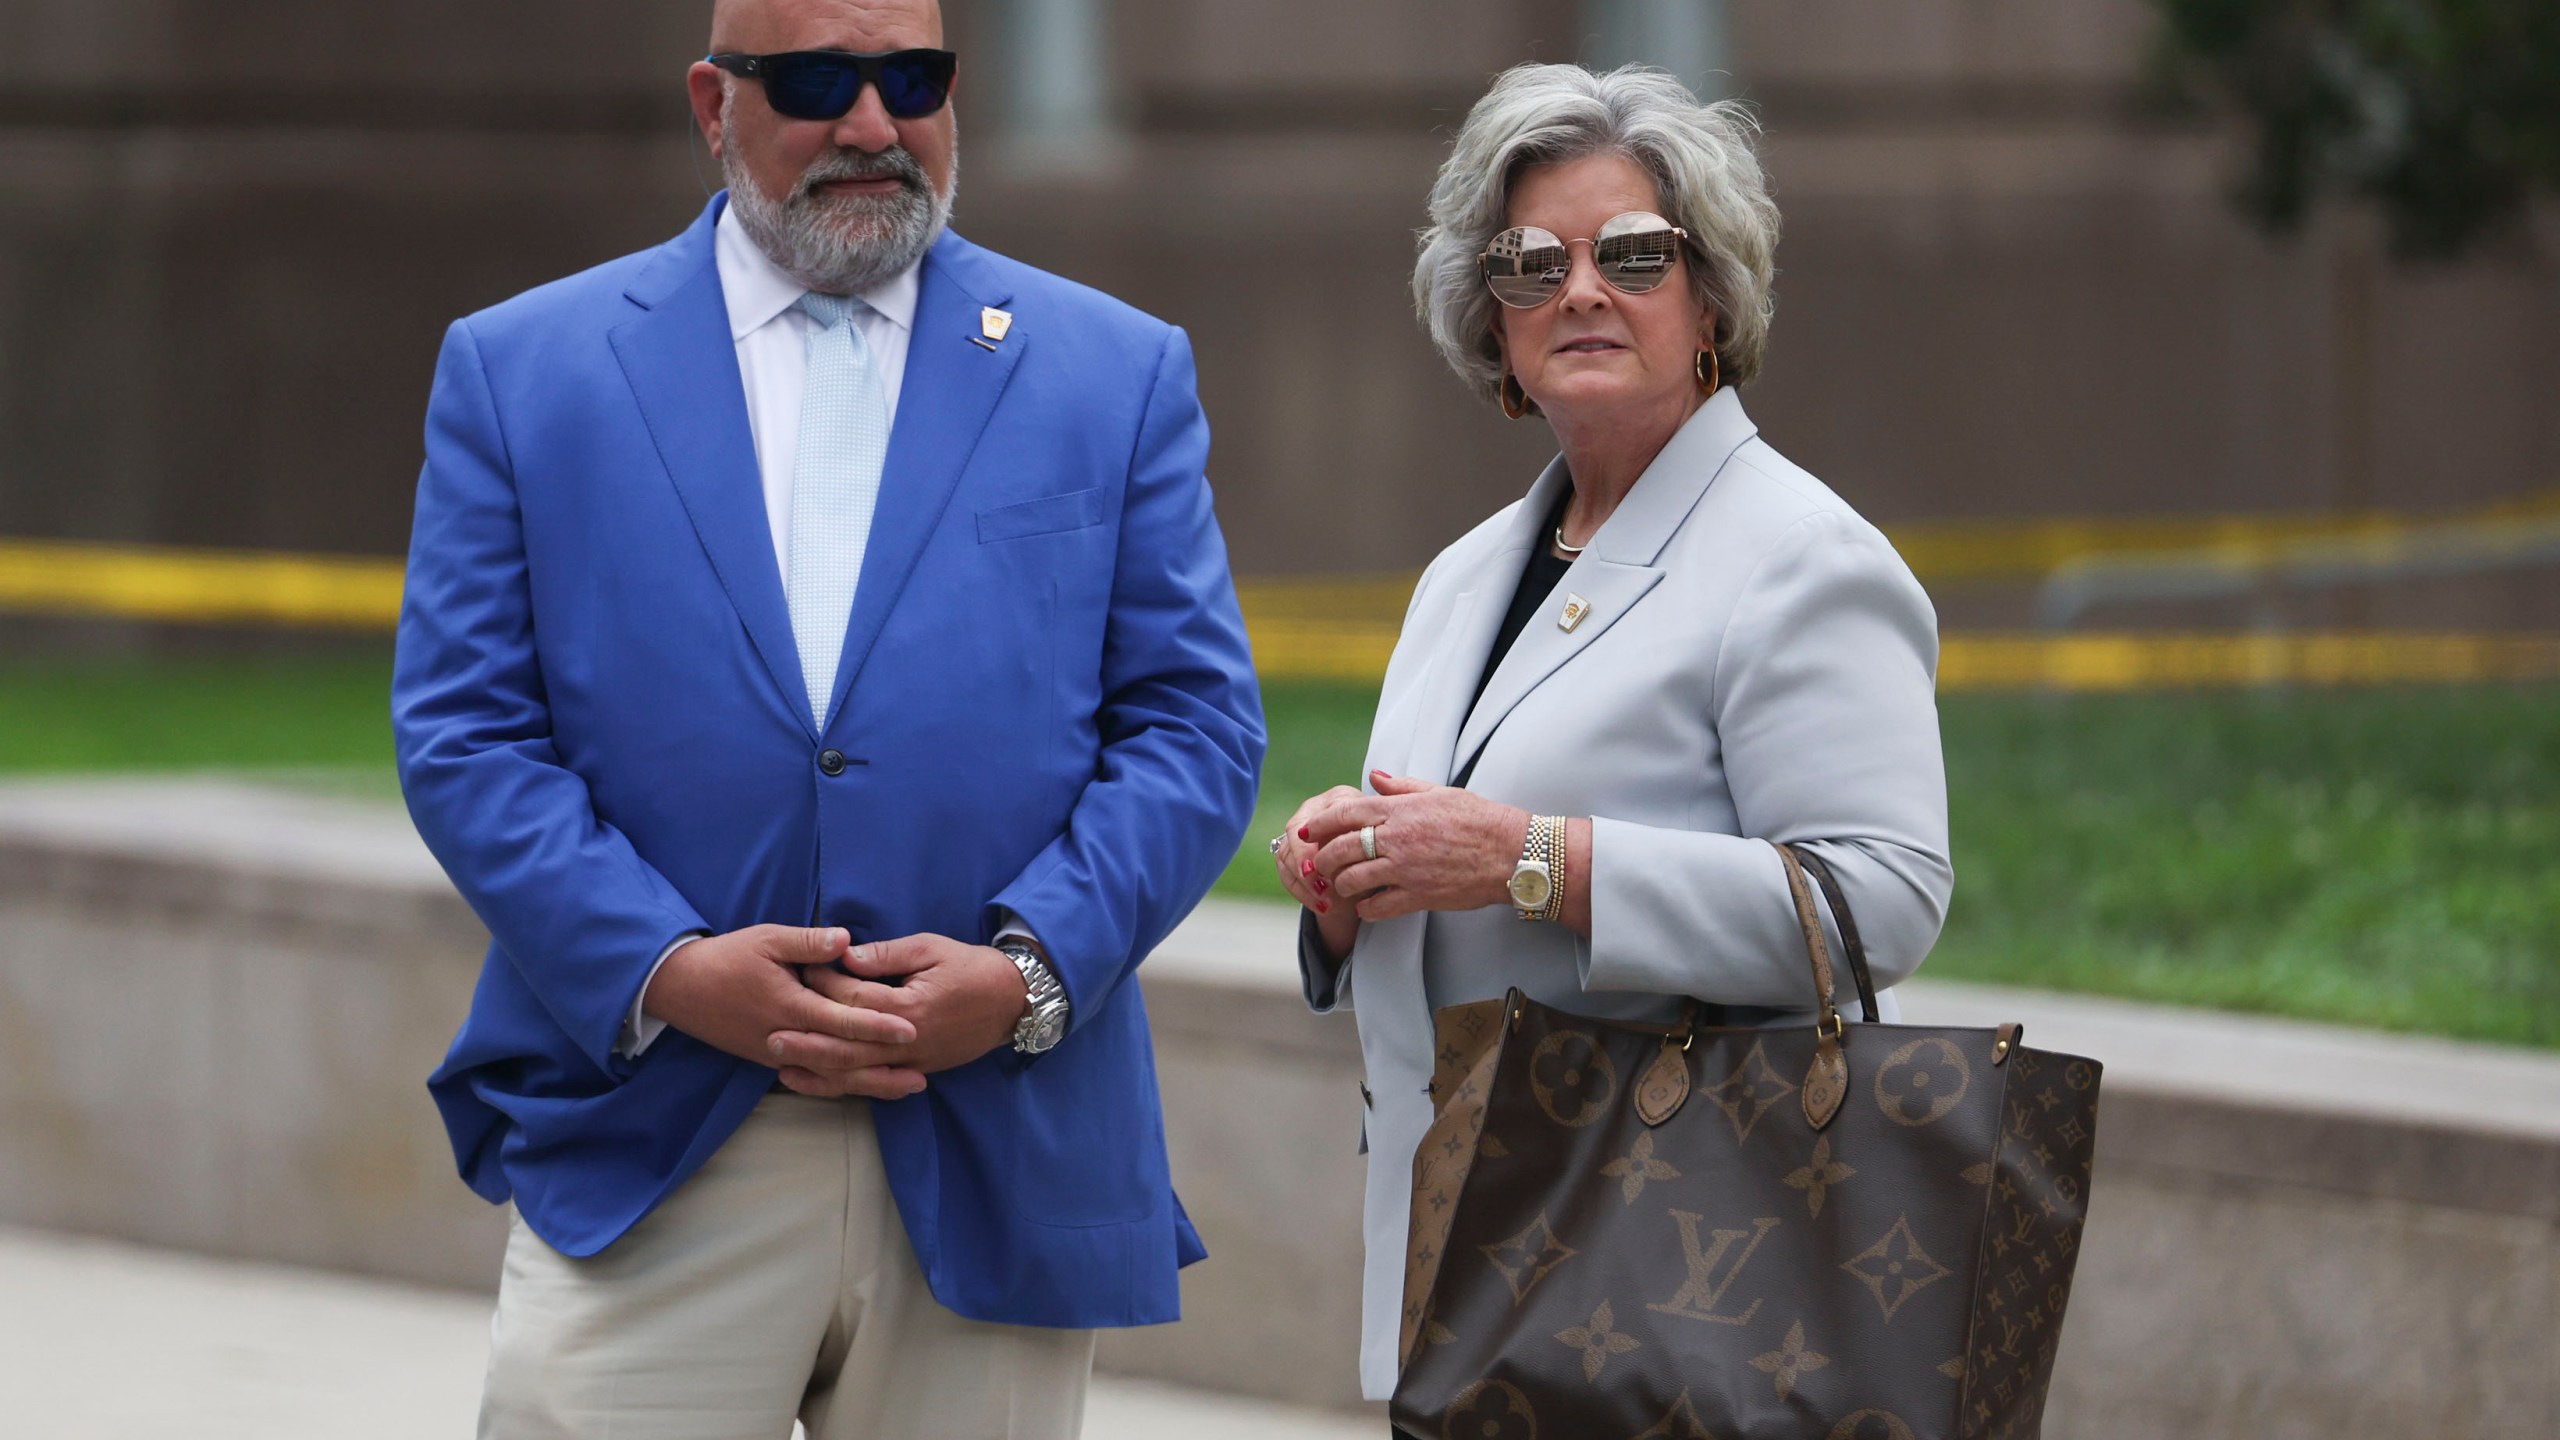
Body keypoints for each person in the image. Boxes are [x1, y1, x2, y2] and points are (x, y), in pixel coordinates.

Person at [392, 0, 1264, 1433]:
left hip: (995, 1147)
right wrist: (667, 966)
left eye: (911, 78)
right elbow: (466, 733)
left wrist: (1027, 974)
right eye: (816, 81)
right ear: (710, 104)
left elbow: (1192, 728)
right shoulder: (524, 370)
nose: (874, 126)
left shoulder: (1116, 372)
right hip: (656, 1140)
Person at [1269, 63, 1952, 1404]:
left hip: (1675, 1283)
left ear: (1710, 302)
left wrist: (1532, 858)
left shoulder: (1802, 557)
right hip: (1455, 1272)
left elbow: (1882, 899)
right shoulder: (1466, 574)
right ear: (1493, 318)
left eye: (1633, 252)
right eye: (1532, 264)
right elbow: (1457, 872)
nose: (1581, 289)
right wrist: (1354, 880)